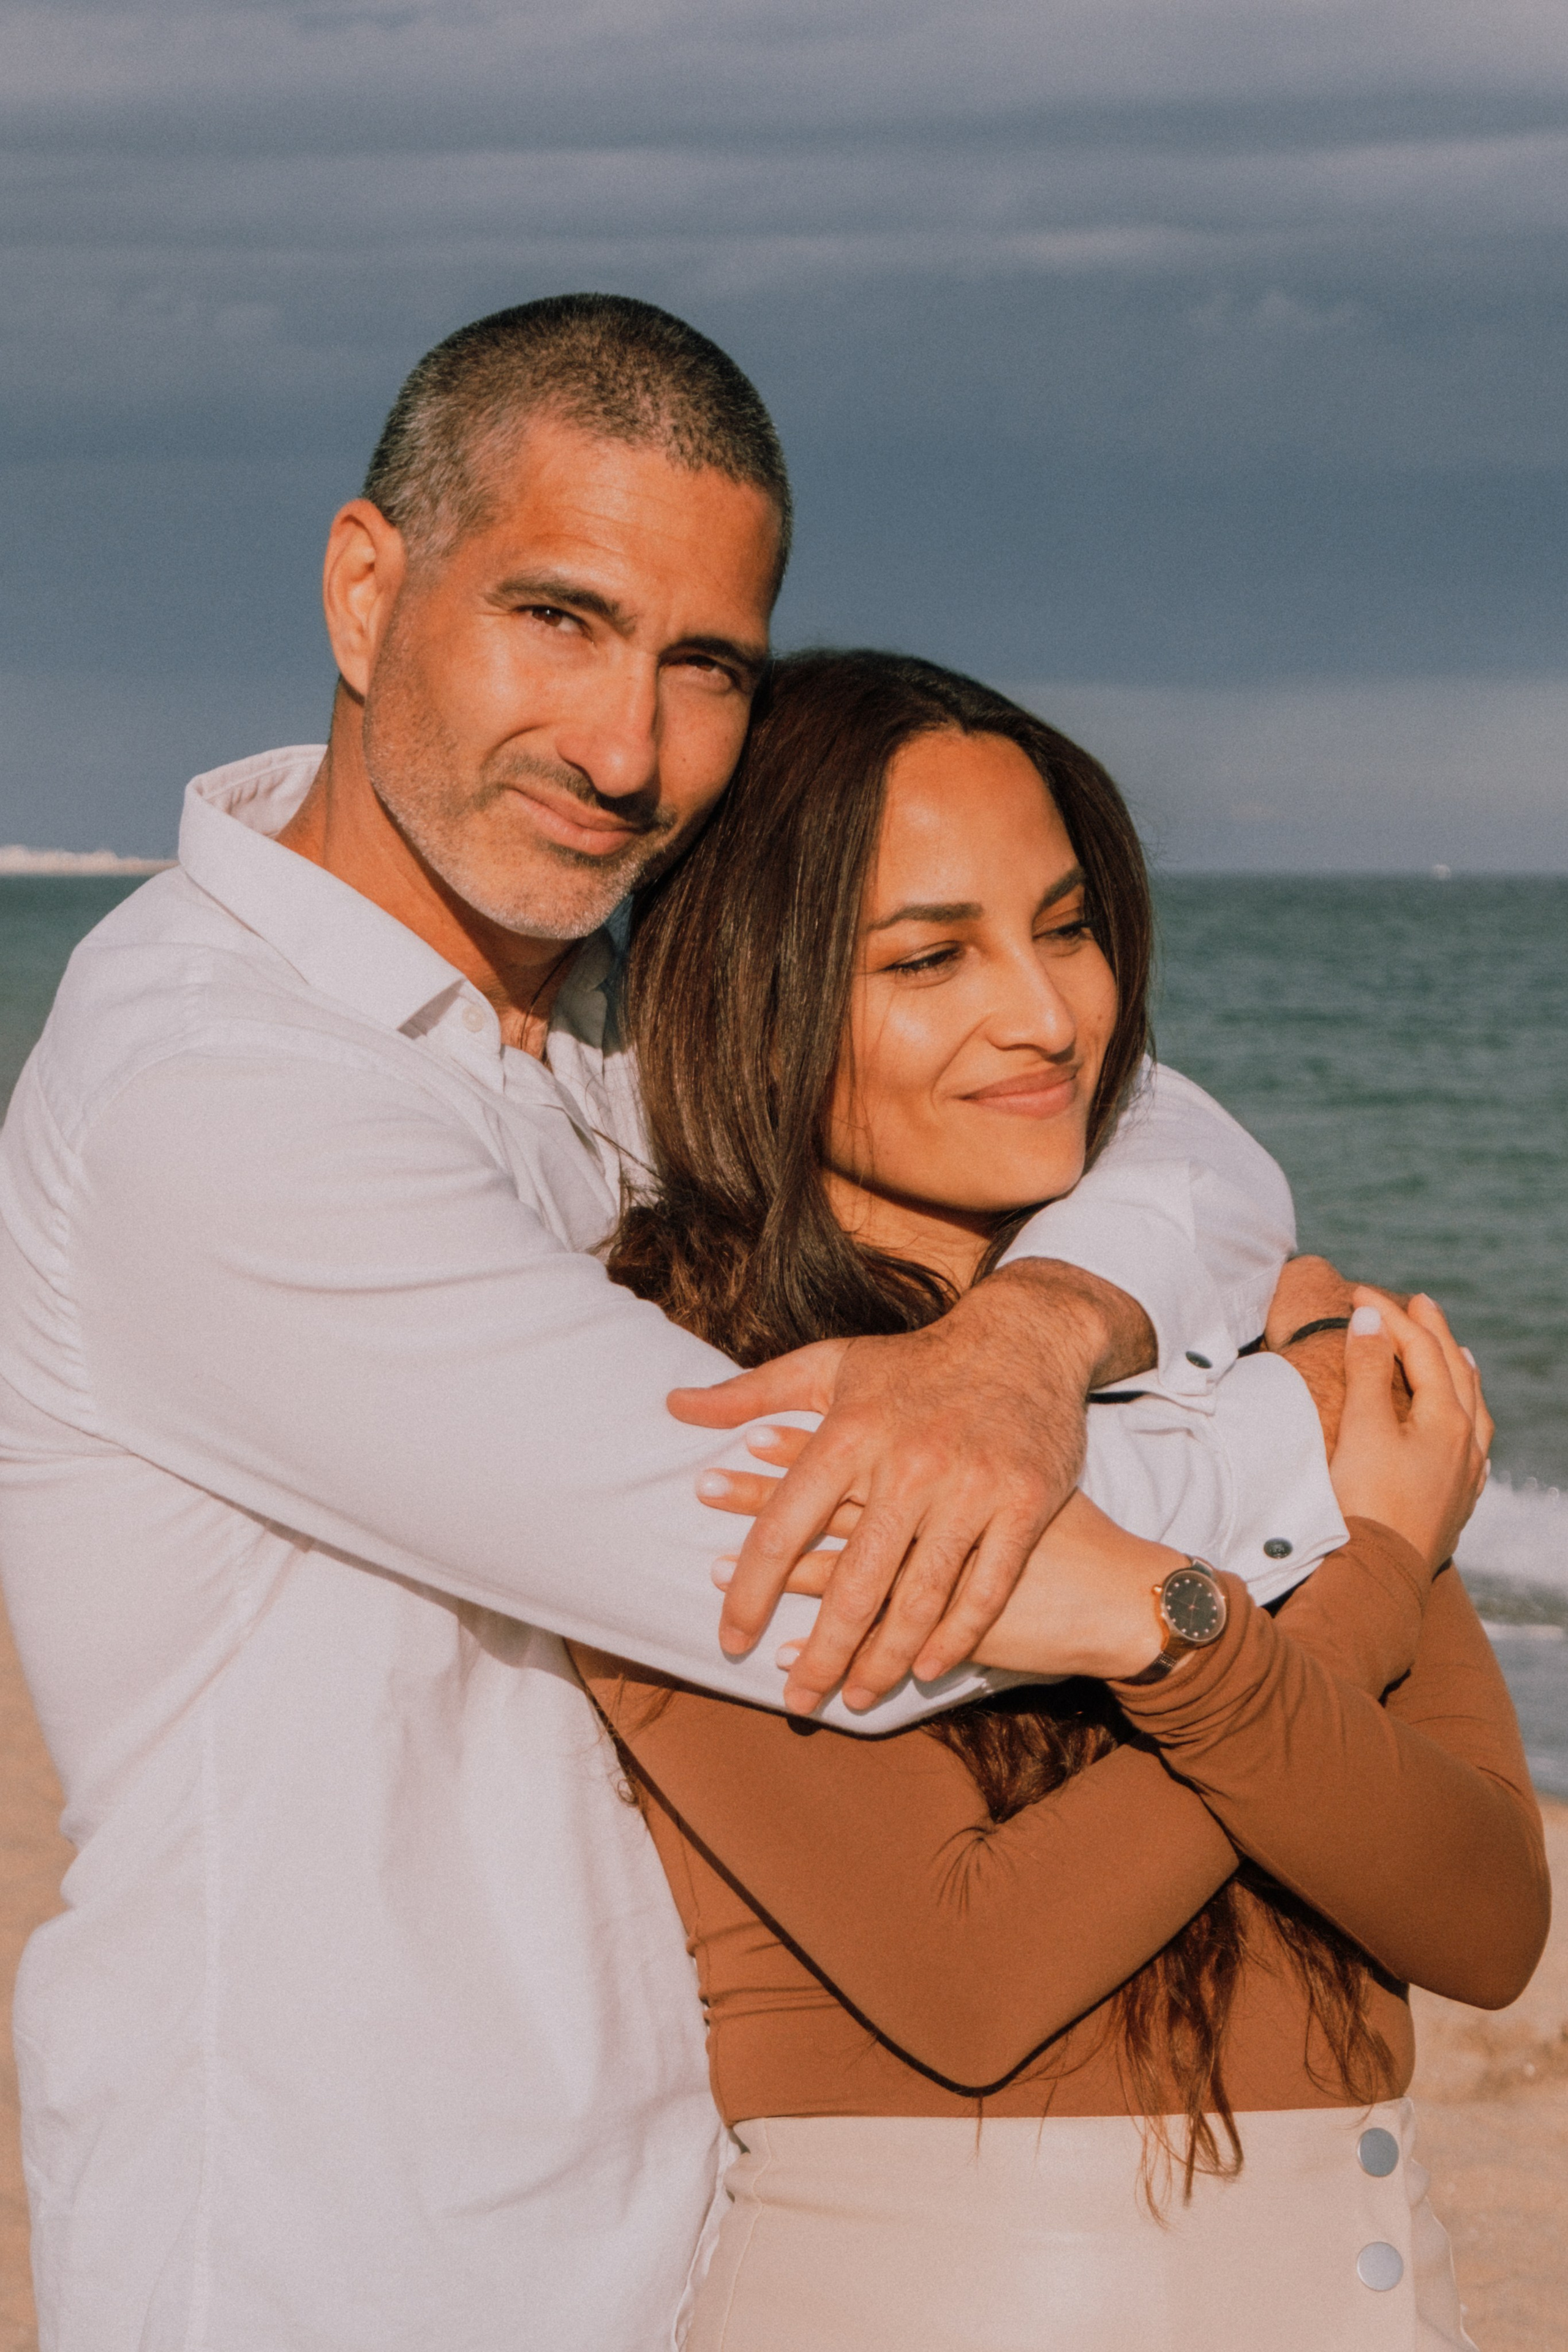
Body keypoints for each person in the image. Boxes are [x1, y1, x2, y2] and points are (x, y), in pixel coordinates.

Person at [0, 296, 1384, 2351]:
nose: (627, 748)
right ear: (366, 589)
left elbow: (1144, 1113)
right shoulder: (216, 1103)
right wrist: (1327, 1448)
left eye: (702, 664)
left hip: (687, 2250)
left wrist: (1031, 1342)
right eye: (556, 619)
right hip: (334, 2264)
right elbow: (834, 1573)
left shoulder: (593, 1013)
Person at [573, 649, 1548, 2350]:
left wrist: (1209, 1621)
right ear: (754, 989)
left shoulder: (1253, 1361)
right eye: (931, 957)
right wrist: (1346, 1576)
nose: (1045, 1015)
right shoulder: (691, 1404)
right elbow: (972, 1973)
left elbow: (1484, 1920)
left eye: (1071, 926)